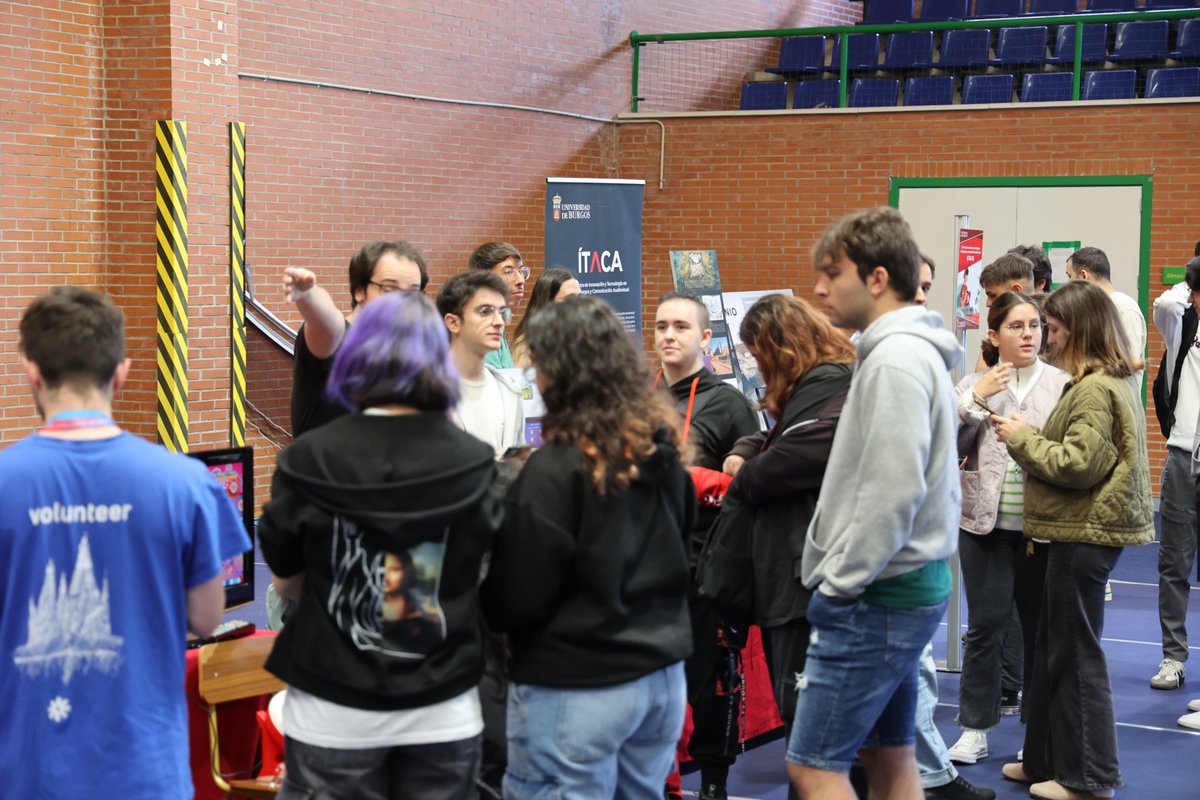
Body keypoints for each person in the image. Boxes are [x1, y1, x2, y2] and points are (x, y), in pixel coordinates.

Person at [0, 286, 250, 799]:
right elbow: (206, 619)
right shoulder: (186, 483)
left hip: (27, 773)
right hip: (144, 772)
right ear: (121, 372)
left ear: (30, 369)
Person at [259, 290, 503, 800]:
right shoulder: (474, 460)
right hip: (440, 705)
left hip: (333, 706)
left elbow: (286, 581)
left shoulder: (308, 458)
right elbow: (490, 580)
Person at [482, 296, 694, 799]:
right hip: (659, 681)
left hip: (577, 684)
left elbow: (518, 594)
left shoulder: (556, 470)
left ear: (559, 370)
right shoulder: (662, 455)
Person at [788, 207, 961, 800]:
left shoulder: (894, 360)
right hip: (897, 588)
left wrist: (839, 583)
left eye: (832, 273)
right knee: (891, 760)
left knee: (814, 768)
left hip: (877, 595)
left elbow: (892, 494)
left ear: (878, 278)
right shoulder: (897, 352)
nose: (817, 288)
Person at [993, 280, 1154, 800]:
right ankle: (1043, 759)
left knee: (1075, 654)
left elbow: (1078, 464)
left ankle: (1088, 779)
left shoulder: (1094, 389)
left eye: (1055, 329)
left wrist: (1022, 438)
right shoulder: (1104, 382)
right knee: (1049, 651)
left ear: (1078, 330)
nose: (1049, 340)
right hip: (1076, 530)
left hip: (1084, 532)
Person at [721, 294, 854, 799]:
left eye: (758, 354)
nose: (756, 365)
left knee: (812, 734)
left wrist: (747, 470)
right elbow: (774, 440)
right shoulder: (817, 388)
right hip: (802, 571)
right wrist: (746, 451)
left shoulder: (831, 385)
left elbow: (783, 462)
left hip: (806, 576)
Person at [946, 293, 1070, 768]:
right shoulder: (972, 383)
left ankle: (1036, 735)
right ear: (994, 336)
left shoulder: (1061, 384)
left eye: (1035, 326)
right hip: (983, 526)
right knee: (985, 627)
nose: (1029, 335)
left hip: (1041, 530)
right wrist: (977, 398)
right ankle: (975, 728)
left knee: (1041, 631)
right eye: (1016, 327)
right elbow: (950, 443)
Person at [654, 290, 759, 800]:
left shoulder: (729, 403)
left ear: (705, 337)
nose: (669, 335)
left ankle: (713, 784)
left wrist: (701, 479)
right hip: (645, 569)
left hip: (705, 567)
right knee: (653, 683)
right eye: (660, 327)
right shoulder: (637, 396)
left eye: (680, 326)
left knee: (709, 680)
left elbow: (749, 488)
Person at [911, 256, 999, 800]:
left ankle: (932, 772)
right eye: (914, 286)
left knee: (916, 671)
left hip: (927, 539)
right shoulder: (881, 359)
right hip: (894, 552)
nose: (923, 298)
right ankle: (935, 770)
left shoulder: (928, 351)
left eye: (927, 287)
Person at [287, 240, 429, 437]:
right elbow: (327, 321)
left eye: (412, 292)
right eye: (389, 289)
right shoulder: (338, 339)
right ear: (360, 291)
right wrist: (307, 293)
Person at [1149, 255, 1200, 693]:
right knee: (1174, 565)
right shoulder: (1182, 325)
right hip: (1184, 457)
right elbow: (1164, 304)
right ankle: (1173, 657)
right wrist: (1191, 281)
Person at [436, 271, 525, 455]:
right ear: (453, 322)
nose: (499, 322)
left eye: (502, 312)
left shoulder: (510, 390)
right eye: (485, 311)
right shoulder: (426, 391)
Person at [1065, 246, 1146, 391]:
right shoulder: (1092, 309)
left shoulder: (1124, 308)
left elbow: (1127, 365)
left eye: (1069, 276)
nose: (1069, 283)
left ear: (1083, 276)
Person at [468, 241, 529, 369]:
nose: (521, 280)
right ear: (484, 279)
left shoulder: (499, 320)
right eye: (509, 272)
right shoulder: (485, 324)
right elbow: (493, 386)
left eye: (521, 271)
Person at [510, 267, 580, 368]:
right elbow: (519, 382)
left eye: (579, 297)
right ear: (548, 302)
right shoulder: (528, 345)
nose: (578, 304)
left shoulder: (576, 337)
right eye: (570, 299)